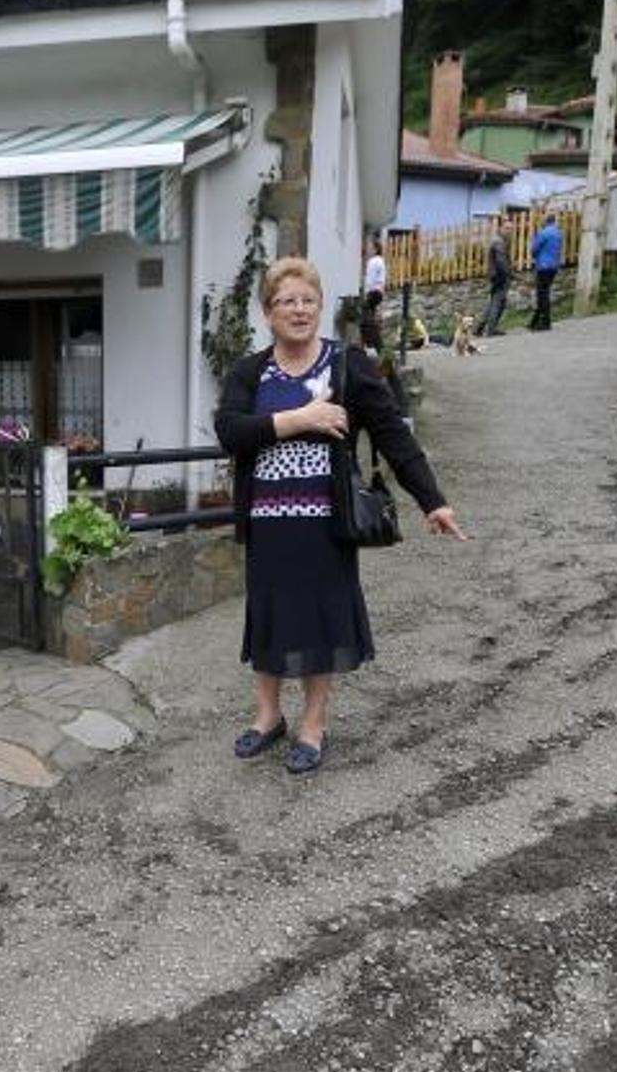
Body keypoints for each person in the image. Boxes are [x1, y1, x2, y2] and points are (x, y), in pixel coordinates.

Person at [214, 257, 466, 776]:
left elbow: (393, 435)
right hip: (267, 525)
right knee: (269, 615)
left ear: (320, 306)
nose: (299, 310)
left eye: (308, 300)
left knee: (320, 618)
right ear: (268, 311)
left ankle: (313, 724)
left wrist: (432, 500)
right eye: (287, 301)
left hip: (327, 524)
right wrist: (301, 419)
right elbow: (231, 431)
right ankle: (268, 716)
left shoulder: (347, 365)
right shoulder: (250, 372)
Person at [528, 210, 563, 330]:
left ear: (546, 221)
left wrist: (535, 254)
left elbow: (534, 250)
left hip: (543, 266)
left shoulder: (543, 233)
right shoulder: (558, 233)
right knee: (545, 292)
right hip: (554, 266)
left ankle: (545, 322)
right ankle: (535, 321)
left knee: (542, 295)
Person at [480, 216, 513, 335]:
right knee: (498, 303)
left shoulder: (500, 241)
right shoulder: (499, 242)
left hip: (496, 275)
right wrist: (509, 274)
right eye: (507, 228)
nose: (509, 231)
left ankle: (479, 327)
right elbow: (501, 261)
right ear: (500, 228)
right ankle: (492, 328)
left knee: (493, 302)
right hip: (499, 276)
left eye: (511, 229)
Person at [361, 235, 387, 353]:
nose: (368, 249)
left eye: (370, 247)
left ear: (375, 249)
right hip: (378, 292)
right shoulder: (380, 261)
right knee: (369, 319)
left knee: (366, 320)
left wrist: (365, 294)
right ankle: (374, 345)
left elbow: (369, 280)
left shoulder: (373, 261)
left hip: (373, 292)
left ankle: (377, 346)